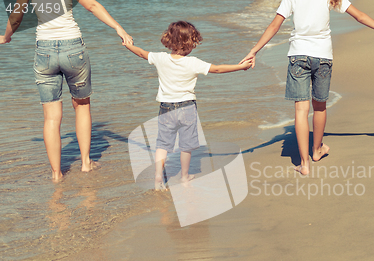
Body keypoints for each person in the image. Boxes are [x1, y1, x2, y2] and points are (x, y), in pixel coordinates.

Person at [240, 0, 374, 175]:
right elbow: (359, 16)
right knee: (320, 106)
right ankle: (316, 151)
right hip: (323, 56)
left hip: (298, 55)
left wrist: (253, 51)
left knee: (301, 110)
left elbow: (274, 26)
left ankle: (304, 164)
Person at [0, 0, 133, 181]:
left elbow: (17, 16)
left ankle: (56, 174)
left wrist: (7, 36)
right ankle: (86, 164)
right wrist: (119, 28)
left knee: (51, 117)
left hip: (44, 51)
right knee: (82, 105)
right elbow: (92, 6)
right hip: (73, 48)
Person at [124, 21, 252, 191]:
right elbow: (218, 69)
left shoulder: (160, 58)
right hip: (187, 107)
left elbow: (141, 53)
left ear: (169, 40)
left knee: (163, 144)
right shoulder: (193, 62)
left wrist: (128, 45)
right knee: (186, 145)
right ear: (189, 43)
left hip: (166, 107)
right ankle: (184, 177)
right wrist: (240, 67)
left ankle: (157, 177)